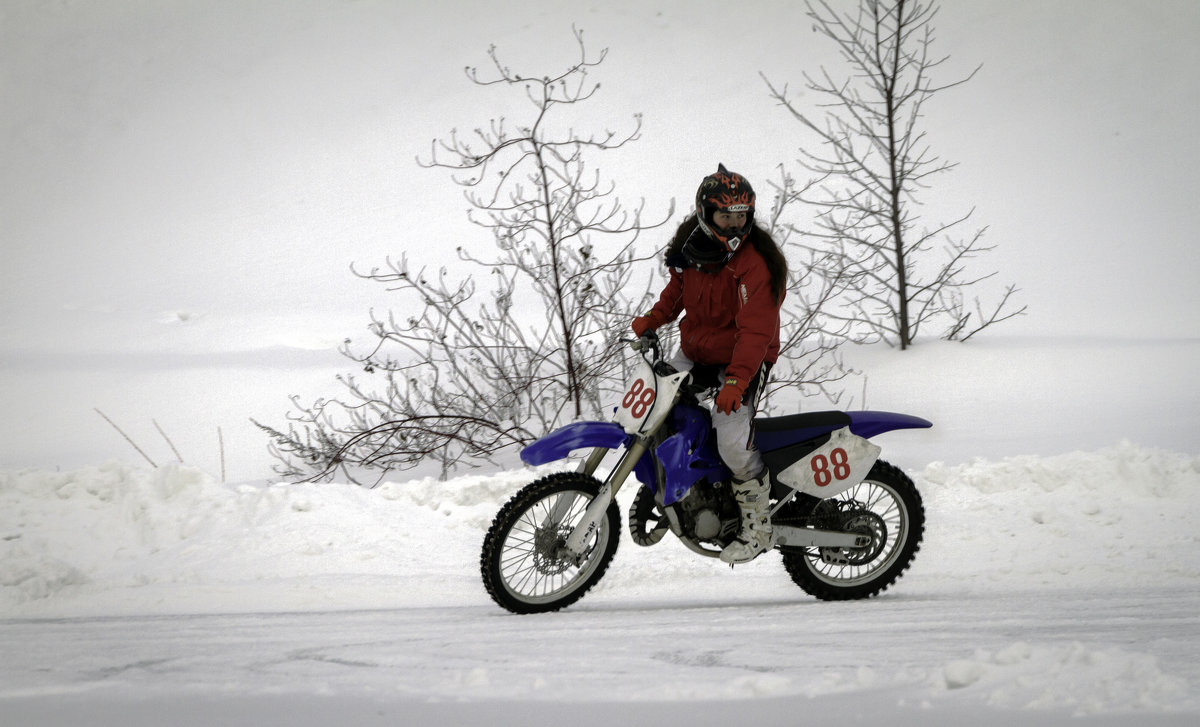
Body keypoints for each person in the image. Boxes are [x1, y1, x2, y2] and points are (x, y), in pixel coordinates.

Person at [631, 164, 788, 564]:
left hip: (743, 358)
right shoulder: (692, 248)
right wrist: (654, 318)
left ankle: (757, 524)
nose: (735, 225)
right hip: (698, 348)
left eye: (742, 216)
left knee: (731, 439)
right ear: (705, 214)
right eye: (726, 216)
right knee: (658, 410)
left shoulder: (756, 264)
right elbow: (678, 290)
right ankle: (674, 486)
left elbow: (756, 332)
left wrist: (735, 383)